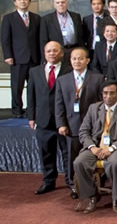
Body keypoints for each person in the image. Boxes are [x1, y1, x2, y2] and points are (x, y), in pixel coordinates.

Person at [73, 80, 117, 213]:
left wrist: (111, 149)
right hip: (96, 146)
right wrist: (93, 148)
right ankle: (92, 195)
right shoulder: (93, 108)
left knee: (114, 163)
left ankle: (116, 198)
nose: (108, 96)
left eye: (112, 93)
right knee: (79, 162)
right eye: (105, 93)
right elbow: (83, 131)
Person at [54, 47, 104, 199]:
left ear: (87, 60)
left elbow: (102, 103)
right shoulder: (62, 80)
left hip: (93, 126)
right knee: (72, 157)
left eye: (80, 58)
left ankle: (95, 185)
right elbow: (59, 104)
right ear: (70, 61)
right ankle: (73, 186)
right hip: (71, 125)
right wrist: (61, 124)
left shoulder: (97, 78)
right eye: (74, 58)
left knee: (92, 156)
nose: (77, 61)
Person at [28, 41, 72, 195]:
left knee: (67, 153)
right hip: (43, 119)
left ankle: (71, 181)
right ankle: (48, 181)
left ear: (61, 53)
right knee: (46, 152)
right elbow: (31, 95)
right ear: (44, 53)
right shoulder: (35, 71)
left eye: (55, 51)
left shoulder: (69, 70)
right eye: (49, 51)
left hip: (64, 120)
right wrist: (31, 117)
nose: (52, 53)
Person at [2, 0, 41, 118]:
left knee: (33, 87)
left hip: (34, 58)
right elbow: (5, 39)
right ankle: (17, 111)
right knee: (17, 87)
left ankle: (31, 111)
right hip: (17, 58)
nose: (23, 1)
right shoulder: (8, 18)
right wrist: (8, 55)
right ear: (15, 2)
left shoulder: (36, 18)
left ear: (29, 1)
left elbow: (40, 39)